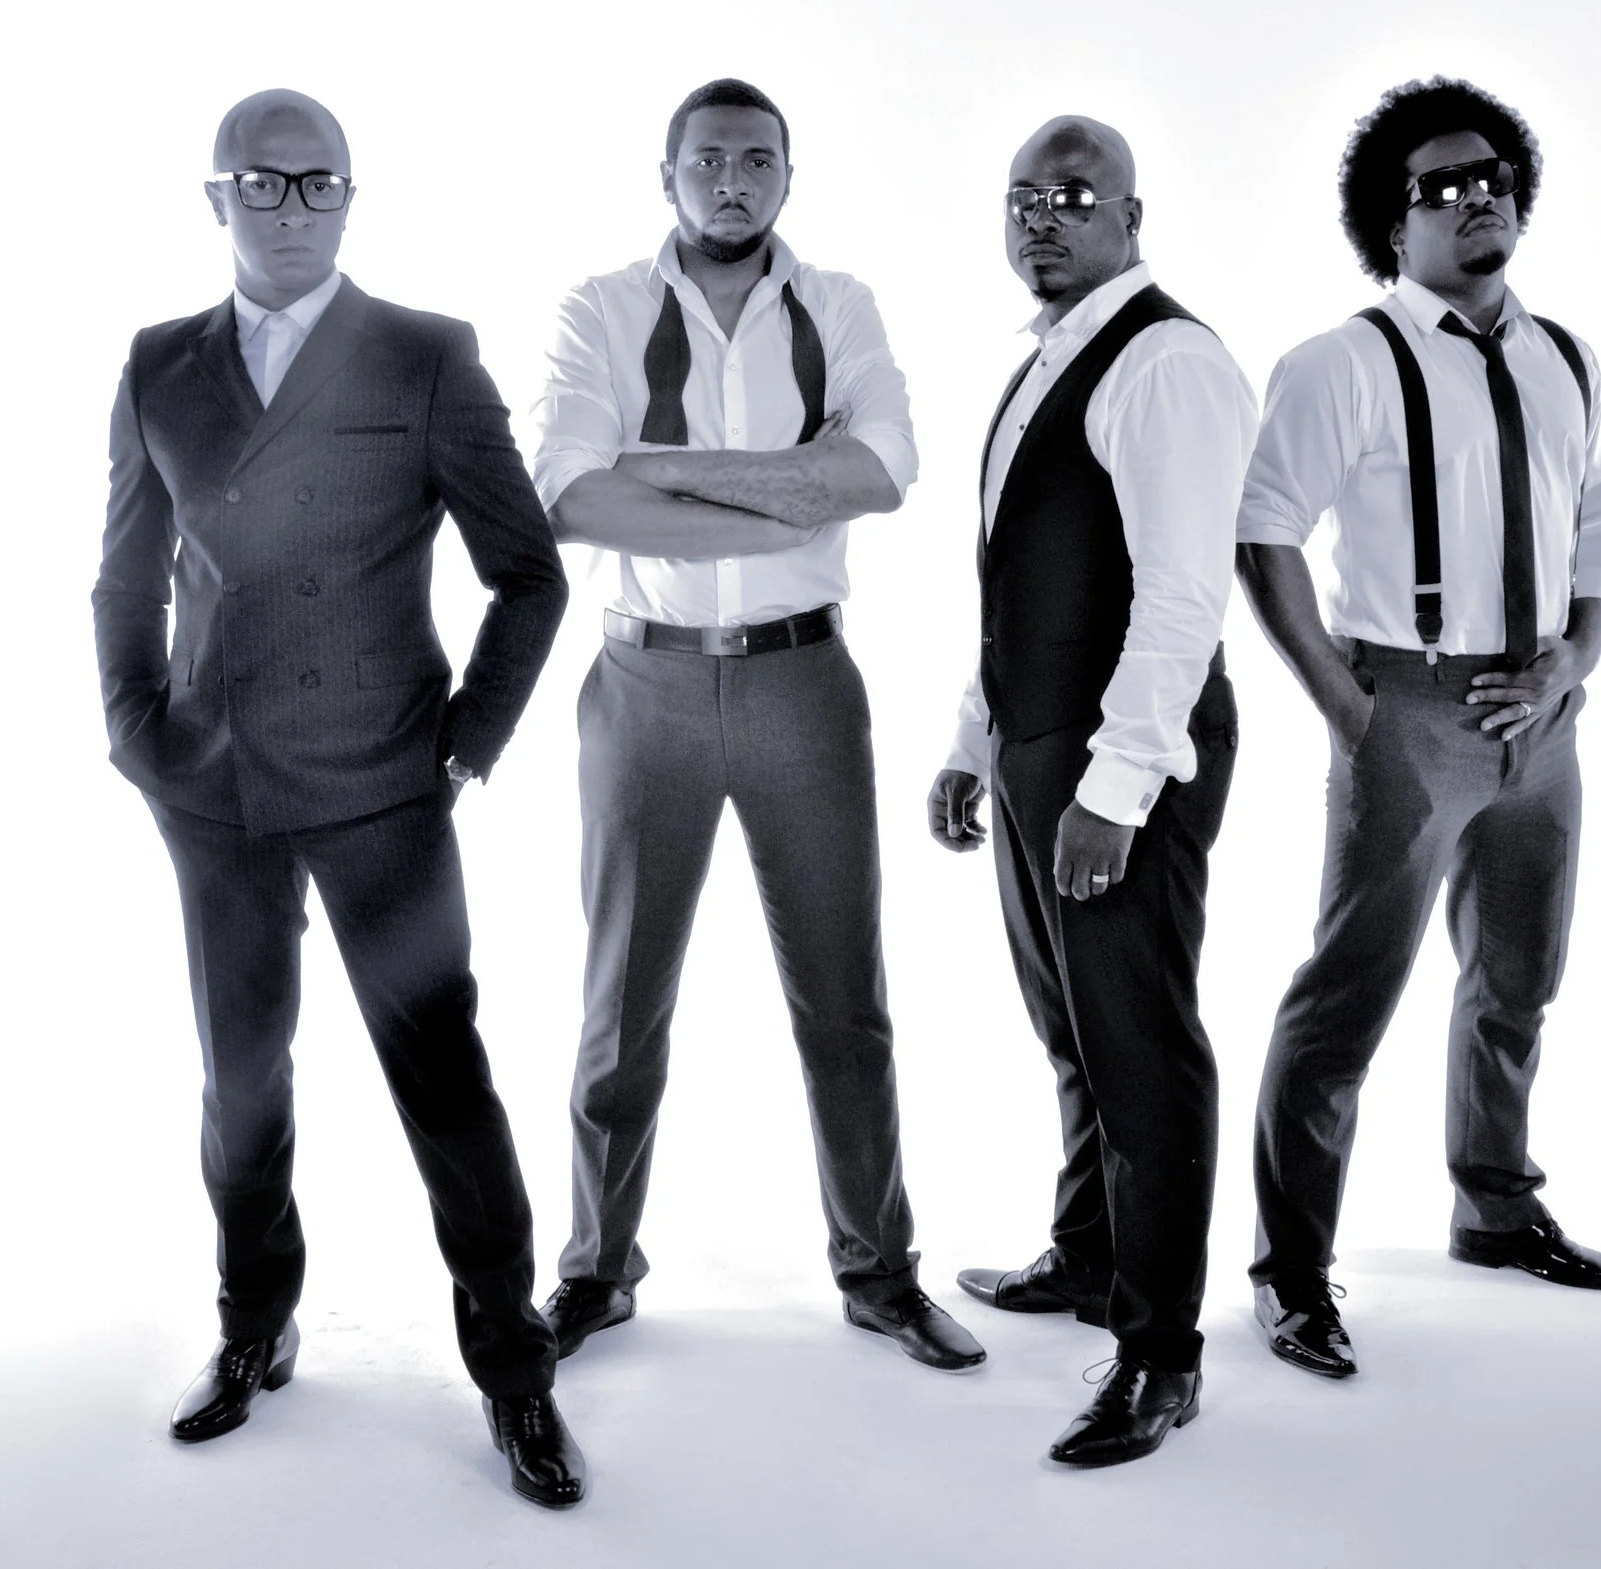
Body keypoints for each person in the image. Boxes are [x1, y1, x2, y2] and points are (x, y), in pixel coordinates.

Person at [91, 90, 585, 1507]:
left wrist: (465, 745)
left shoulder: (424, 354)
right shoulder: (156, 364)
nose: (291, 206)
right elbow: (124, 568)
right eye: (264, 181)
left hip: (384, 788)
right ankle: (257, 1328)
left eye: (318, 185)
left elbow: (529, 575)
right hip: (215, 787)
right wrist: (135, 728)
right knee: (239, 1082)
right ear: (217, 198)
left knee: (444, 1080)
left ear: (351, 199)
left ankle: (514, 1370)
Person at [531, 77, 983, 1374]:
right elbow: (569, 495)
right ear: (666, 173)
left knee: (846, 1001)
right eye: (710, 160)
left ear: (788, 176)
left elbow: (883, 470)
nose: (735, 181)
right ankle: (595, 1271)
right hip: (642, 688)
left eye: (759, 161)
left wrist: (658, 468)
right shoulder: (600, 310)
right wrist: (787, 494)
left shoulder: (840, 308)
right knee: (621, 1002)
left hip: (802, 684)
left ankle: (880, 1274)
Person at [1235, 77, 1601, 1385]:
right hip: (1403, 710)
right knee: (1346, 999)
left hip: (1545, 712)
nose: (1477, 202)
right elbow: (1264, 533)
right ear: (1389, 223)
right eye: (1442, 188)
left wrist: (1573, 664)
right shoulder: (1341, 362)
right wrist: (1349, 708)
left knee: (1518, 976)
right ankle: (1291, 1276)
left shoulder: (1566, 355)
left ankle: (1497, 1208)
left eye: (1494, 181)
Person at [929, 117, 1256, 1466]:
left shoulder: (1168, 362)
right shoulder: (1047, 358)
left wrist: (1115, 790)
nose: (1042, 219)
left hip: (1121, 752)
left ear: (1133, 213)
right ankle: (1084, 1258)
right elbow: (1027, 583)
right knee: (1072, 1029)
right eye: (1023, 198)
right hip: (1034, 740)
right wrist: (971, 739)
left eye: (1074, 195)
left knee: (1140, 1048)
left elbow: (1183, 598)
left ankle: (1161, 1358)